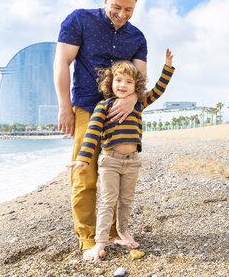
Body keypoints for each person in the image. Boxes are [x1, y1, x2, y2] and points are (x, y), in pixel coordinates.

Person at [53, 0, 147, 256]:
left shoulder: (137, 38)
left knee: (115, 175)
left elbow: (141, 82)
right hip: (84, 109)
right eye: (116, 6)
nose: (122, 14)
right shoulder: (79, 20)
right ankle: (87, 238)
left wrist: (132, 101)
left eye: (129, 9)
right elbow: (61, 62)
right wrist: (64, 108)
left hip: (120, 114)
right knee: (84, 175)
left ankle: (111, 233)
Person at [66, 50, 175, 261]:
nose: (122, 85)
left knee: (126, 200)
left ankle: (122, 231)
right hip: (110, 161)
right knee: (107, 201)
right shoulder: (103, 107)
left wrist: (168, 67)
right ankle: (99, 242)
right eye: (118, 80)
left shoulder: (138, 103)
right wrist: (82, 158)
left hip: (132, 162)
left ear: (136, 87)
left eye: (128, 82)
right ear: (111, 82)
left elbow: (159, 90)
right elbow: (91, 135)